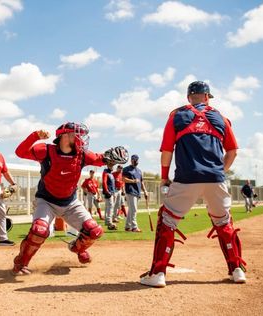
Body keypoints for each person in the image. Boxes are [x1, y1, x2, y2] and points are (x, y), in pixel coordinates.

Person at [140, 81, 246, 287]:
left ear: (189, 97)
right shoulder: (222, 118)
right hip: (216, 178)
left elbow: (167, 152)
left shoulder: (176, 116)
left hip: (187, 177)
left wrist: (164, 177)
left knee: (167, 221)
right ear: (207, 97)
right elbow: (232, 152)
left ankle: (158, 273)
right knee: (224, 223)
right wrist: (218, 172)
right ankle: (237, 270)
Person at [11, 122, 128, 275]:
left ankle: (77, 248)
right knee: (39, 230)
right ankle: (21, 262)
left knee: (95, 231)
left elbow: (100, 159)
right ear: (64, 135)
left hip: (70, 202)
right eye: (77, 134)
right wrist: (35, 136)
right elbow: (20, 152)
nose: (81, 138)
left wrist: (110, 158)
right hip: (46, 200)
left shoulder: (82, 154)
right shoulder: (46, 150)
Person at [122, 155, 148, 232]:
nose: (136, 162)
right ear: (132, 160)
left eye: (137, 160)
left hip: (137, 192)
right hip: (130, 191)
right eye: (135, 160)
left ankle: (127, 226)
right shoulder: (126, 169)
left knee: (131, 210)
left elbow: (141, 182)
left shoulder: (139, 171)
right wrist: (133, 181)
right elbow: (123, 179)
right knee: (134, 210)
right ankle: (134, 227)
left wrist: (145, 191)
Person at [102, 161, 117, 230]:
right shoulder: (106, 172)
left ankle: (107, 221)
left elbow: (112, 184)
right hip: (108, 193)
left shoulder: (111, 173)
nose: (112, 166)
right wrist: (107, 191)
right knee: (110, 207)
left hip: (112, 192)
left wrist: (114, 193)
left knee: (109, 207)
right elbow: (104, 182)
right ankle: (109, 222)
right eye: (111, 165)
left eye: (113, 165)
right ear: (108, 165)